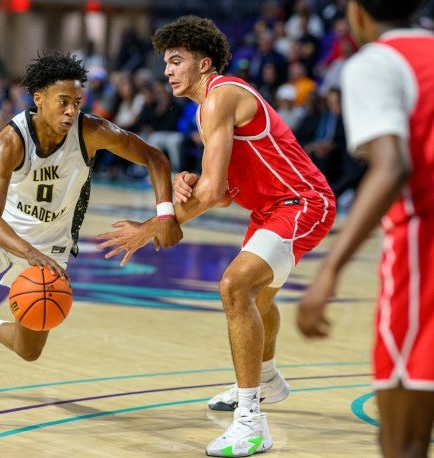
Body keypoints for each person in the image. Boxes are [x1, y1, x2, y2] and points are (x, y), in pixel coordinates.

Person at [0, 51, 183, 429]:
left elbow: (155, 158)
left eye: (76, 102)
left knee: (29, 351)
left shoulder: (91, 132)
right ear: (39, 99)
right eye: (63, 102)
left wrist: (164, 213)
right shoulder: (10, 141)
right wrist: (28, 253)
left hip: (50, 247)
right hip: (0, 236)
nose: (71, 111)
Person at [96, 15, 336, 456]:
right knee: (259, 298)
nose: (167, 70)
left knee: (234, 286)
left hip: (302, 203)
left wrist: (152, 227)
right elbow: (221, 193)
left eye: (176, 60)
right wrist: (189, 179)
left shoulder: (220, 97)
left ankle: (251, 422)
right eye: (165, 63)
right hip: (270, 207)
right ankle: (268, 383)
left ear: (204, 63)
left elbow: (209, 195)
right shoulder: (209, 106)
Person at [296, 1, 434, 457]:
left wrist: (328, 271)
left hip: (423, 253)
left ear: (356, 12)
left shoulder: (375, 62)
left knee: (403, 446)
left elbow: (391, 167)